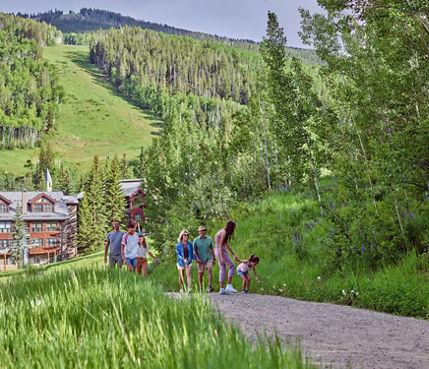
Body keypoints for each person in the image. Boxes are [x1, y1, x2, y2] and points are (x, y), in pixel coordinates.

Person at [215, 220, 239, 295]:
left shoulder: (222, 231)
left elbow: (226, 245)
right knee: (232, 266)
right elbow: (220, 245)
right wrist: (222, 257)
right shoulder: (224, 232)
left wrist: (233, 254)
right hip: (220, 250)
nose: (233, 230)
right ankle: (228, 285)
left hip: (219, 250)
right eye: (233, 228)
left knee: (223, 268)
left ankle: (221, 289)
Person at [193, 225, 216, 292]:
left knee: (209, 270)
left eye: (203, 231)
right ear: (199, 232)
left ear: (205, 231)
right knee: (200, 273)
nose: (202, 232)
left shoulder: (209, 239)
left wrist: (214, 259)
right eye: (200, 231)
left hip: (208, 257)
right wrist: (197, 258)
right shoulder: (196, 240)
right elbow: (194, 250)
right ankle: (201, 288)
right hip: (200, 258)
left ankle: (209, 286)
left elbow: (212, 249)